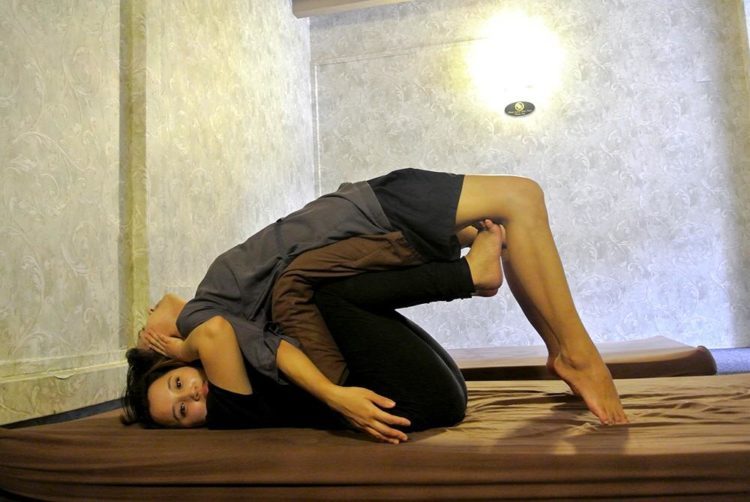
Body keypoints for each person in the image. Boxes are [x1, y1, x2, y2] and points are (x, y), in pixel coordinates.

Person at [124, 168, 628, 442]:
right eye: (182, 412)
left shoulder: (216, 314)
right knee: (519, 199)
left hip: (361, 212)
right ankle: (571, 351)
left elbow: (169, 306)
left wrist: (173, 343)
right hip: (369, 212)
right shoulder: (223, 352)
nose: (194, 395)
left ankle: (558, 344)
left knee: (512, 212)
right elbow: (191, 321)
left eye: (178, 385)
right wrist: (183, 349)